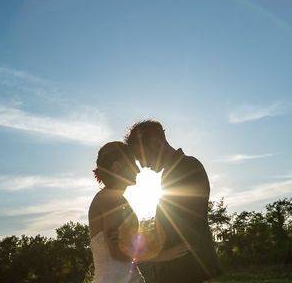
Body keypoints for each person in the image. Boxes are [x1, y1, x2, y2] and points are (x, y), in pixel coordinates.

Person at [125, 120, 222, 283]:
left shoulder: (187, 167)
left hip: (186, 268)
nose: (143, 165)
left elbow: (181, 222)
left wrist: (152, 255)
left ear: (156, 143)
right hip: (180, 268)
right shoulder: (174, 170)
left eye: (141, 157)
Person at [88, 141, 187, 283]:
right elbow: (117, 252)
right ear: (117, 167)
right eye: (133, 164)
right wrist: (163, 255)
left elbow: (129, 245)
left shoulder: (114, 198)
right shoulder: (109, 200)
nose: (138, 170)